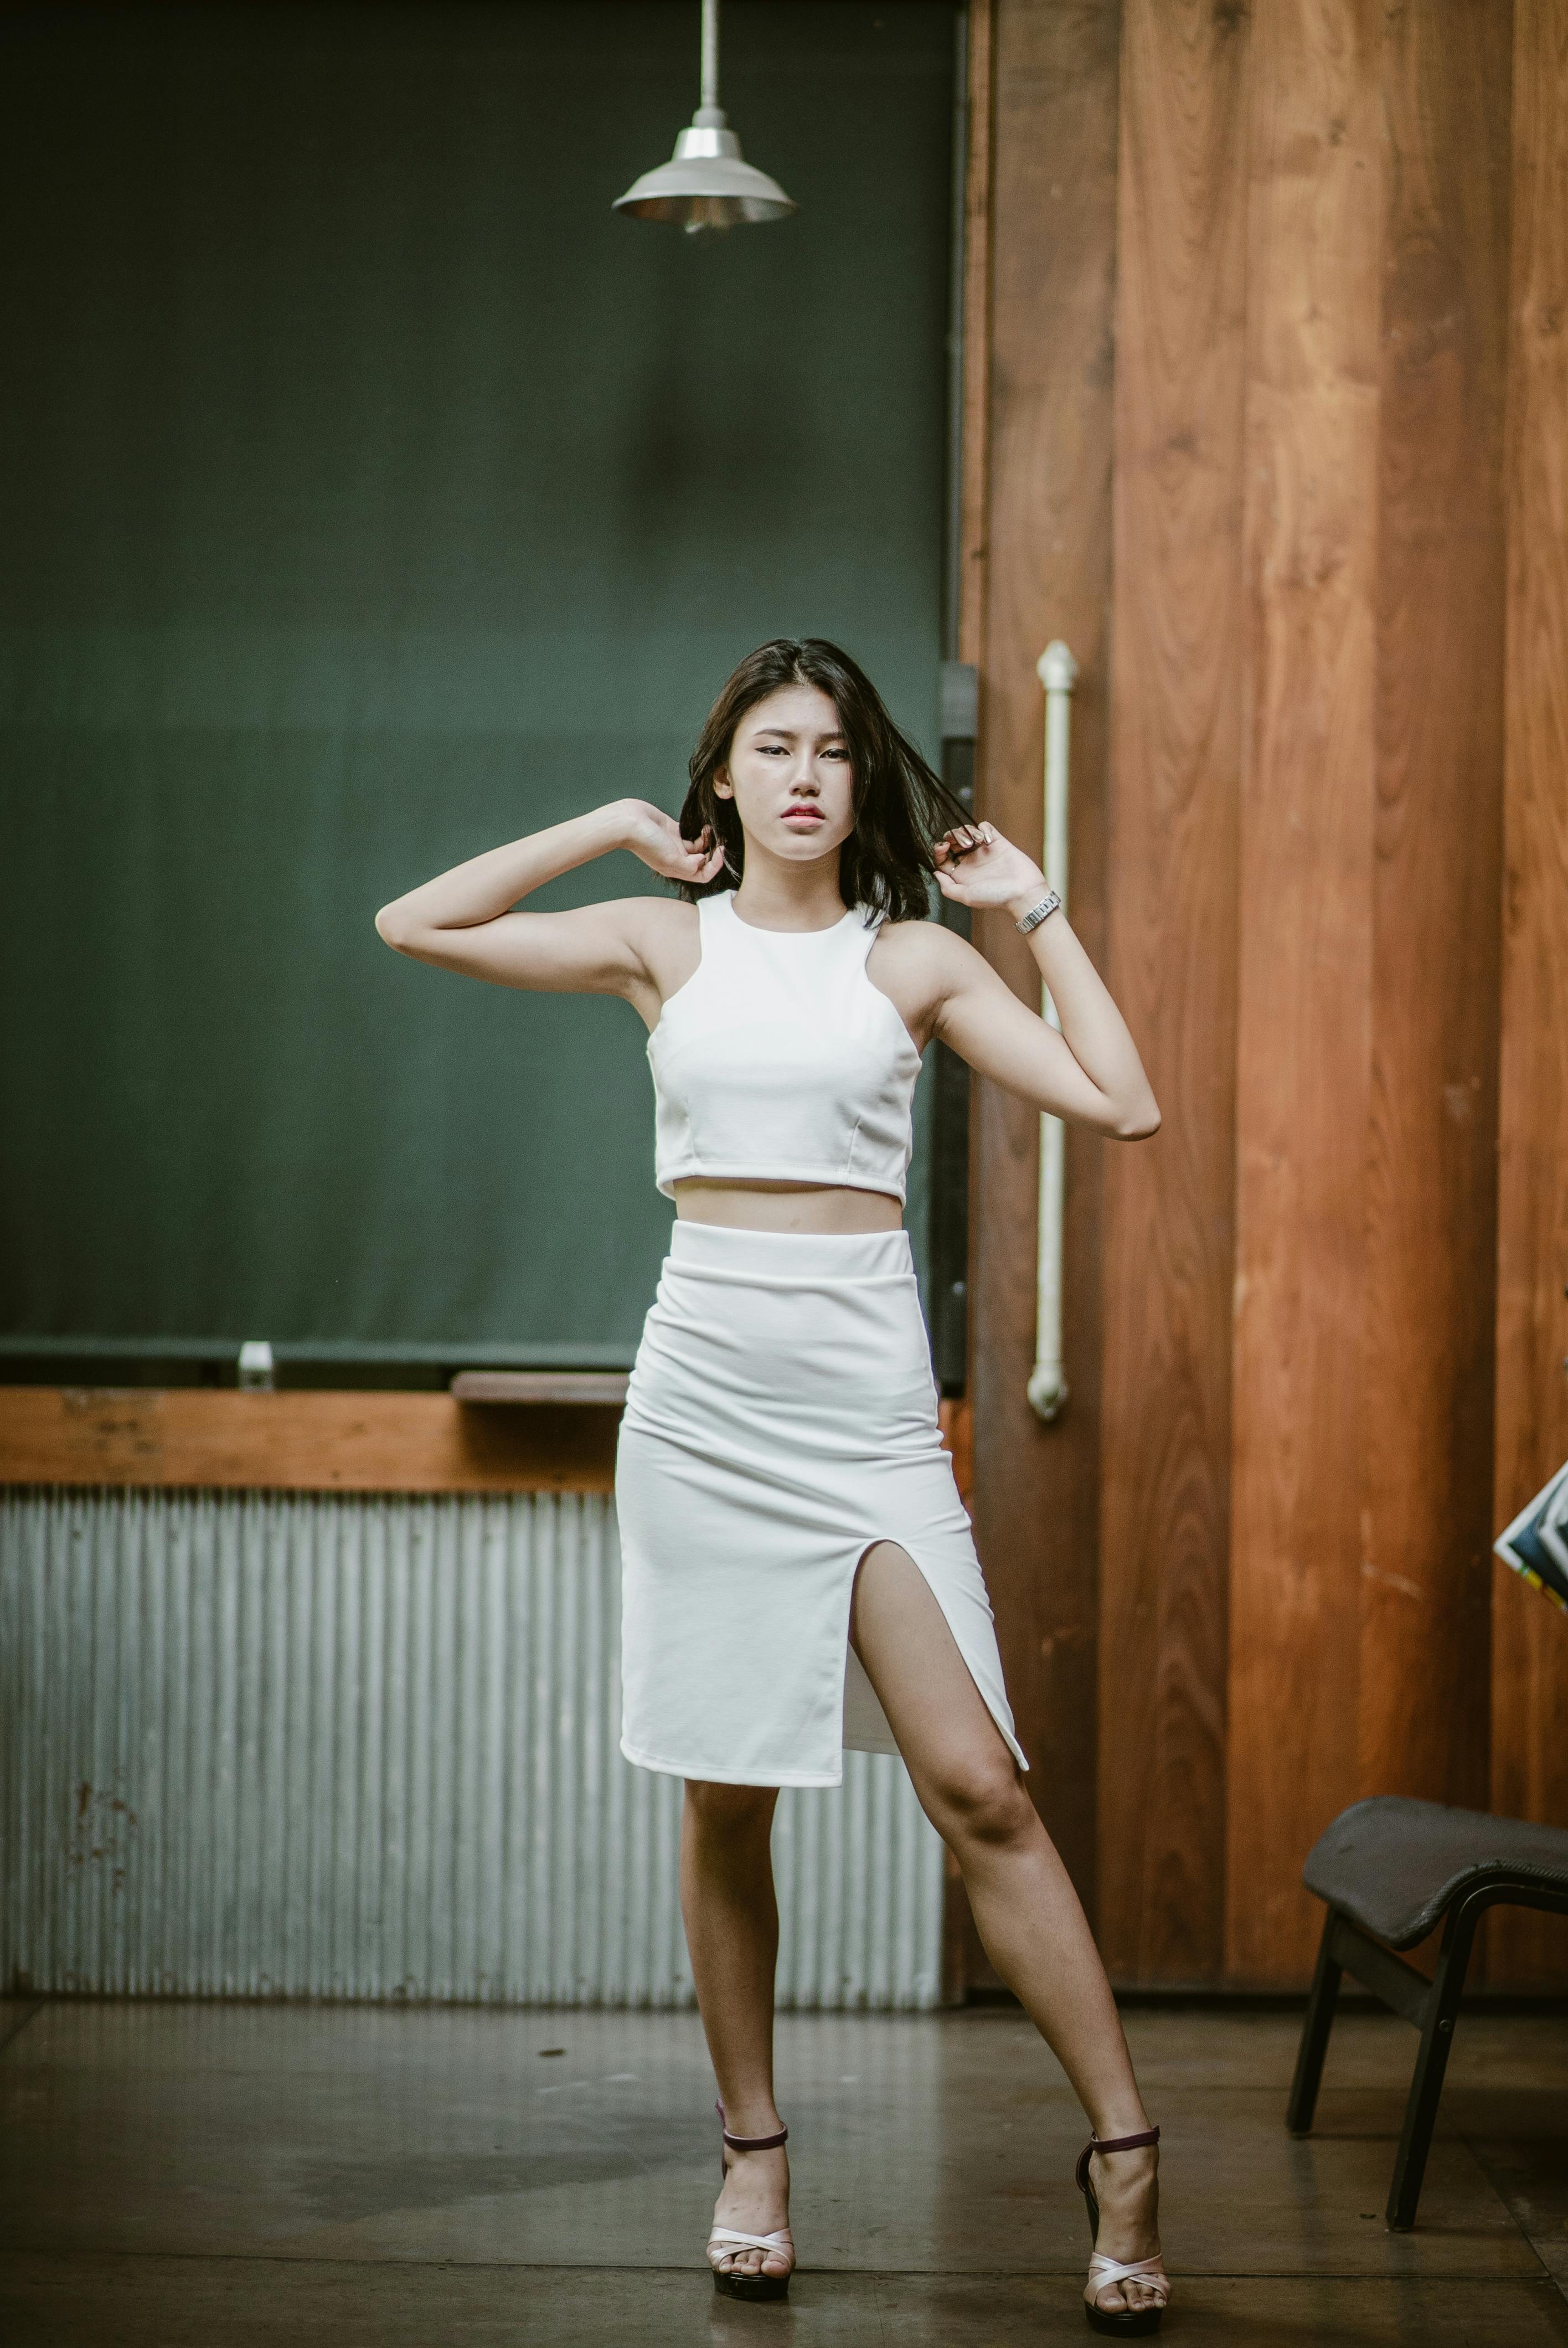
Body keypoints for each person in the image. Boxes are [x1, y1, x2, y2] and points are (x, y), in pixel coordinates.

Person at [375, 638, 1169, 2335]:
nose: (806, 774)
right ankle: (753, 2151)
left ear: (865, 785)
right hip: (706, 1411)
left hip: (868, 1415)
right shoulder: (665, 945)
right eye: (771, 748)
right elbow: (414, 924)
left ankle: (1123, 2148)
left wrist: (1035, 905)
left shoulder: (916, 963)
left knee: (981, 1789)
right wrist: (605, 824)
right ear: (726, 777)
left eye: (832, 752)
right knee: (726, 1791)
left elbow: (1127, 1101)